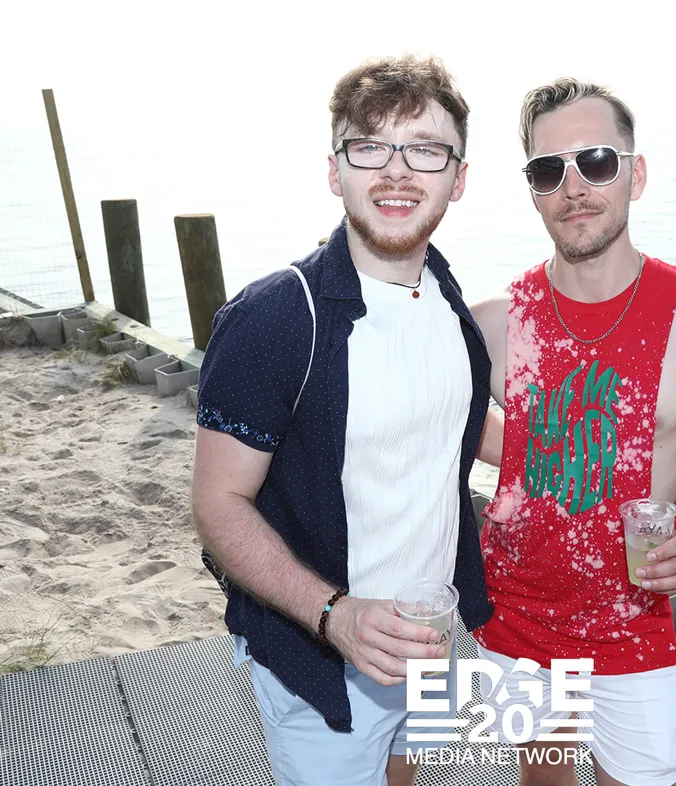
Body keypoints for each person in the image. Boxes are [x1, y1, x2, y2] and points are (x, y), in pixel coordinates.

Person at [191, 55, 493, 786]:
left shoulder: (449, 299)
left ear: (458, 178)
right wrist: (334, 614)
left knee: (405, 771)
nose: (397, 171)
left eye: (425, 150)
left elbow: (444, 435)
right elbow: (217, 505)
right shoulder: (273, 319)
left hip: (430, 635)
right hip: (321, 657)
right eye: (369, 147)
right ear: (335, 170)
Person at [470, 79, 676, 786]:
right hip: (512, 613)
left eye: (596, 161)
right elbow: (441, 422)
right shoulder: (489, 326)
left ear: (635, 174)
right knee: (541, 775)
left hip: (633, 621)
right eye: (548, 170)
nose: (573, 187)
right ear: (533, 192)